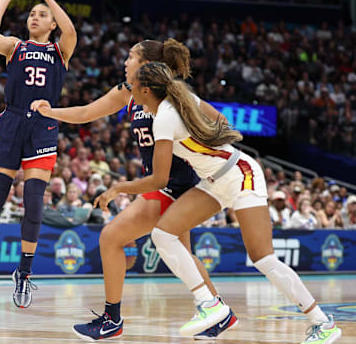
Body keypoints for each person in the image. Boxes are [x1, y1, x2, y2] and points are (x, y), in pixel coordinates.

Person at [94, 61, 341, 343]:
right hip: (214, 180)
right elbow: (221, 120)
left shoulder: (163, 117)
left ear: (147, 90)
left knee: (263, 258)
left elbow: (159, 179)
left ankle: (323, 323)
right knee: (163, 234)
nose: (131, 96)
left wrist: (117, 189)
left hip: (241, 174)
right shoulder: (180, 99)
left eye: (134, 89)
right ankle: (211, 305)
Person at [32, 39, 234, 340]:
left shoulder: (173, 94)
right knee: (182, 256)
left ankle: (112, 319)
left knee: (111, 237)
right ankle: (221, 314)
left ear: (145, 64)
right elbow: (88, 112)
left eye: (130, 57)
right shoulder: (126, 92)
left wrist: (202, 151)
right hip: (161, 182)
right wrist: (51, 112)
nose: (125, 62)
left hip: (173, 182)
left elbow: (221, 122)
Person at [0, 0, 77, 309]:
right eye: (32, 13)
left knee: (33, 203)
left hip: (43, 126)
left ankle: (24, 273)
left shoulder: (60, 51)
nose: (35, 17)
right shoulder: (15, 46)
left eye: (42, 14)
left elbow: (71, 30)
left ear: (52, 24)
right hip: (12, 122)